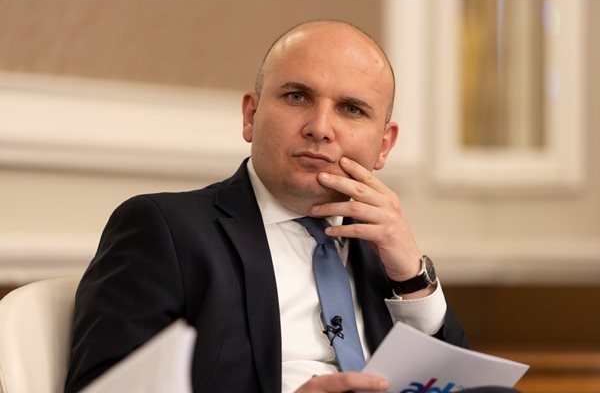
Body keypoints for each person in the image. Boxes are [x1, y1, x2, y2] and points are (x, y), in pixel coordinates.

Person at [65, 20, 516, 393]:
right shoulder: (165, 230)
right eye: (297, 96)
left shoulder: (381, 250)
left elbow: (460, 381)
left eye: (351, 109)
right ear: (251, 115)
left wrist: (412, 278)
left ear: (384, 145)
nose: (320, 128)